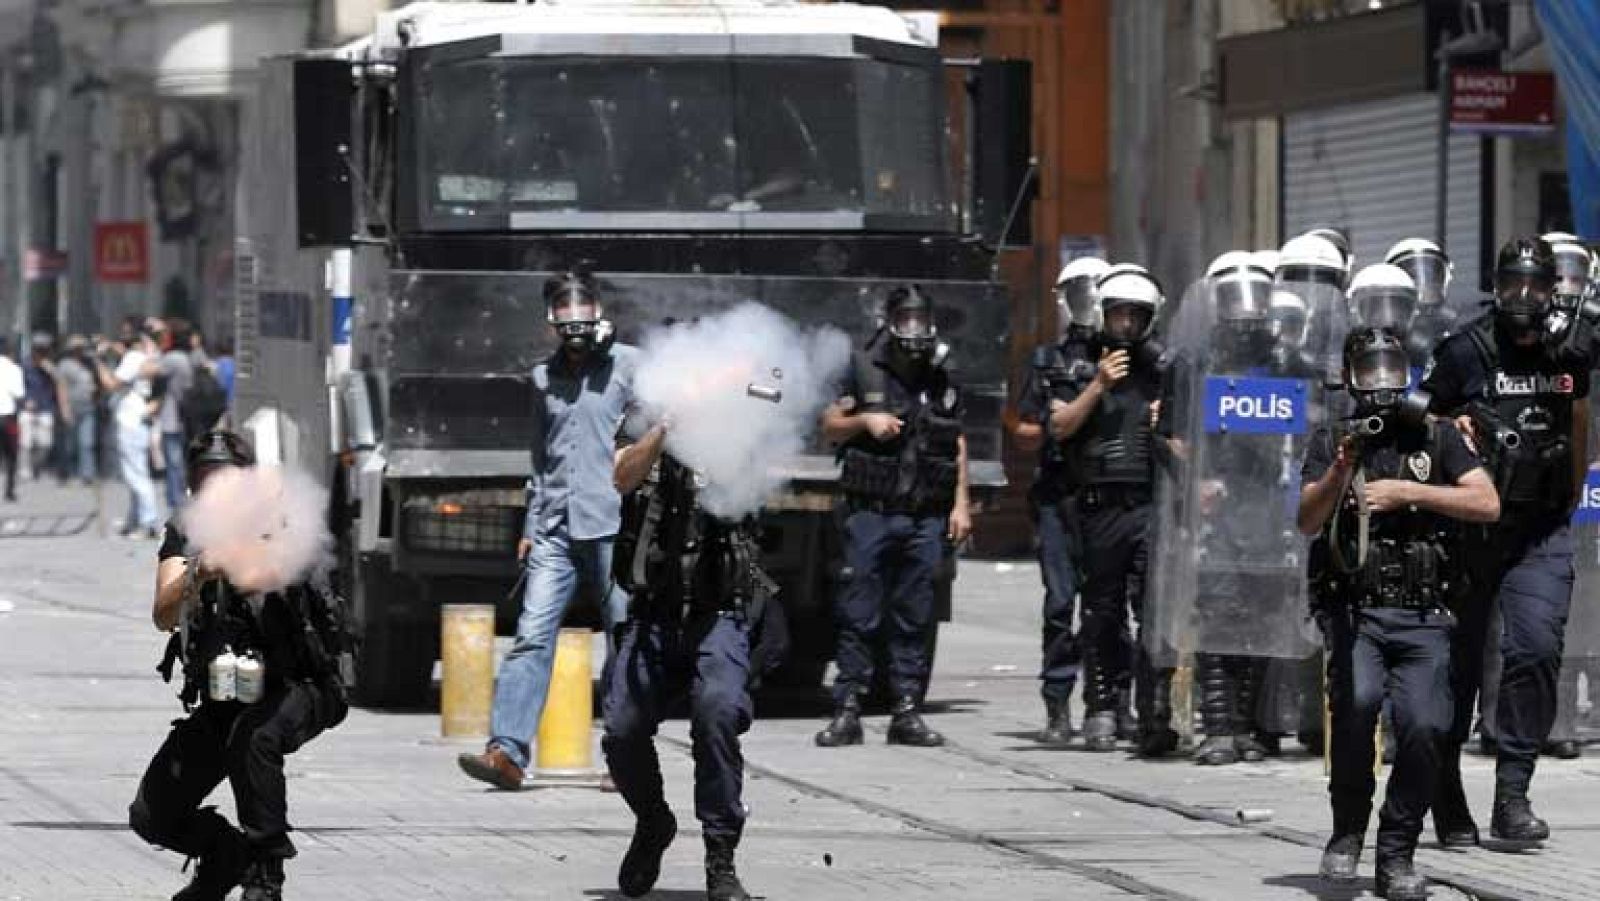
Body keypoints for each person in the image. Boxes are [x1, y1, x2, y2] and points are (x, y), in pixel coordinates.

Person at [1300, 327, 1498, 901]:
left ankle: (1397, 852)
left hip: (1426, 613)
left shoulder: (1436, 435)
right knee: (1358, 709)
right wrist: (1341, 471)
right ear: (1350, 378)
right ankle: (1346, 833)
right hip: (1357, 611)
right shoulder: (1335, 437)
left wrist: (1408, 493)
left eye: (1392, 370)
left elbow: (1486, 502)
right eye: (1370, 371)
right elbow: (1306, 521)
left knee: (1426, 726)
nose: (1382, 383)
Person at [128, 430, 352, 901]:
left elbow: (270, 571)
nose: (215, 489)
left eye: (225, 478)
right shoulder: (188, 531)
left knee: (255, 739)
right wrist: (197, 571)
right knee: (152, 813)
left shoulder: (277, 519)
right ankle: (225, 856)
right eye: (205, 478)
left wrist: (242, 543)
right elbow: (162, 613)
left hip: (301, 686)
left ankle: (266, 876)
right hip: (226, 695)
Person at [1423, 236, 1590, 846]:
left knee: (1535, 649)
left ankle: (1513, 796)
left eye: (1536, 286)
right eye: (1513, 284)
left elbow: (1580, 414)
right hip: (1471, 531)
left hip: (1541, 527)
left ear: (1553, 289)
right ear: (1497, 286)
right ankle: (1446, 796)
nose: (1525, 297)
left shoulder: (1571, 348)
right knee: (1455, 668)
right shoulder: (1466, 349)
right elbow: (1418, 411)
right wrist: (1449, 424)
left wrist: (1570, 490)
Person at [458, 269, 635, 789]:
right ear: (551, 319)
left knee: (624, 639)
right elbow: (540, 458)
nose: (574, 318)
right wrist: (531, 522)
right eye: (564, 309)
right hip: (556, 526)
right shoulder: (542, 378)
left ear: (600, 309)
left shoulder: (631, 367)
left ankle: (626, 758)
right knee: (532, 636)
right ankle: (506, 753)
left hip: (613, 526)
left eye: (583, 306)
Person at [603, 412, 770, 901]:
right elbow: (620, 475)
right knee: (621, 731)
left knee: (717, 715)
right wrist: (664, 431)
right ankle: (653, 823)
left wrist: (714, 436)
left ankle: (720, 856)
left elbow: (752, 488)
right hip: (653, 613)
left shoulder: (738, 424)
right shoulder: (643, 420)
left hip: (717, 611)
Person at [813, 284, 973, 749]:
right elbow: (829, 425)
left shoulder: (941, 375)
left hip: (925, 516)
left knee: (914, 617)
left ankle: (907, 710)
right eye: (906, 320)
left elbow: (957, 441)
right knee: (859, 614)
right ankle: (847, 710)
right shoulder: (863, 367)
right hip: (872, 514)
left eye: (921, 320)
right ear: (890, 322)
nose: (915, 330)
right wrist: (864, 422)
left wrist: (961, 503)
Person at [1052, 264, 1172, 755]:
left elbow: (1193, 440)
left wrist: (1167, 422)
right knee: (1101, 612)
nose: (1125, 325)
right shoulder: (1079, 363)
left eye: (1134, 317)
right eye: (1117, 315)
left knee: (1152, 611)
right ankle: (1102, 705)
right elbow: (1060, 427)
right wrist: (1098, 385)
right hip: (1099, 506)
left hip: (1149, 504)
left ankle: (1153, 713)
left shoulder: (1164, 371)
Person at [1013, 257, 1108, 744]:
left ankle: (1106, 704)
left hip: (1111, 497)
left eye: (1094, 290)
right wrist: (1052, 426)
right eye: (1078, 291)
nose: (1088, 301)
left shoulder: (1127, 353)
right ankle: (1057, 705)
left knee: (1105, 606)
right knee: (1060, 603)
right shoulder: (1047, 360)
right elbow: (1027, 428)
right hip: (1058, 496)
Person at [93, 327, 162, 538]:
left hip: (131, 422)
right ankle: (135, 520)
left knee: (137, 474)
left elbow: (111, 384)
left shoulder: (133, 358)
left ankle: (149, 523)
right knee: (134, 474)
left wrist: (97, 361)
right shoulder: (140, 357)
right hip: (137, 421)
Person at [154, 318, 196, 510]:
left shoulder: (172, 359)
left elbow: (149, 370)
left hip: (172, 417)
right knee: (181, 461)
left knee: (173, 462)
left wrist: (151, 347)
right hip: (187, 416)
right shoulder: (191, 357)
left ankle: (176, 501)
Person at [55, 336, 98, 485]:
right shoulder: (64, 365)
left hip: (88, 409)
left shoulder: (89, 364)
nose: (81, 350)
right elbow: (61, 387)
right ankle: (65, 472)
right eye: (78, 348)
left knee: (86, 442)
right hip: (72, 408)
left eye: (82, 347)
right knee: (69, 445)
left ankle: (87, 474)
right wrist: (64, 409)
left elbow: (96, 383)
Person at [20, 333, 62, 481]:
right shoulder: (25, 365)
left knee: (46, 443)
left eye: (44, 350)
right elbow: (19, 386)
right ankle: (25, 468)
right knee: (26, 441)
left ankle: (37, 465)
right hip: (28, 408)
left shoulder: (51, 365)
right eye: (38, 349)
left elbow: (60, 385)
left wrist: (52, 371)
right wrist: (25, 400)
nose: (40, 353)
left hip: (46, 407)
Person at [0, 345, 23, 501]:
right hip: (8, 417)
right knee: (11, 456)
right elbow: (19, 393)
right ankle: (9, 490)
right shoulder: (14, 369)